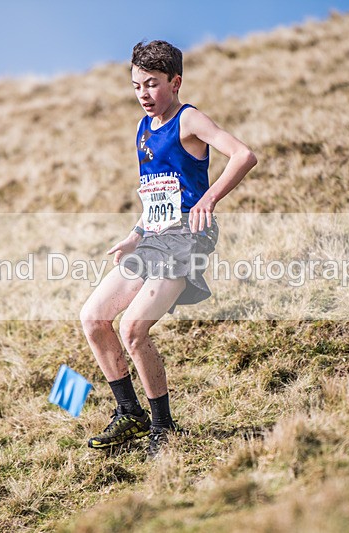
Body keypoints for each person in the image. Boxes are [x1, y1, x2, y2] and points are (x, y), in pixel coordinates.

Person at [80, 40, 257, 458]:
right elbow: (158, 195)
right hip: (155, 237)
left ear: (175, 82)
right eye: (137, 85)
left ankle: (164, 428)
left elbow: (243, 155)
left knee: (133, 330)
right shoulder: (143, 129)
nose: (143, 94)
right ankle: (130, 413)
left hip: (189, 238)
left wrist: (209, 198)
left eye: (153, 84)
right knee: (93, 318)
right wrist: (136, 234)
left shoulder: (188, 119)